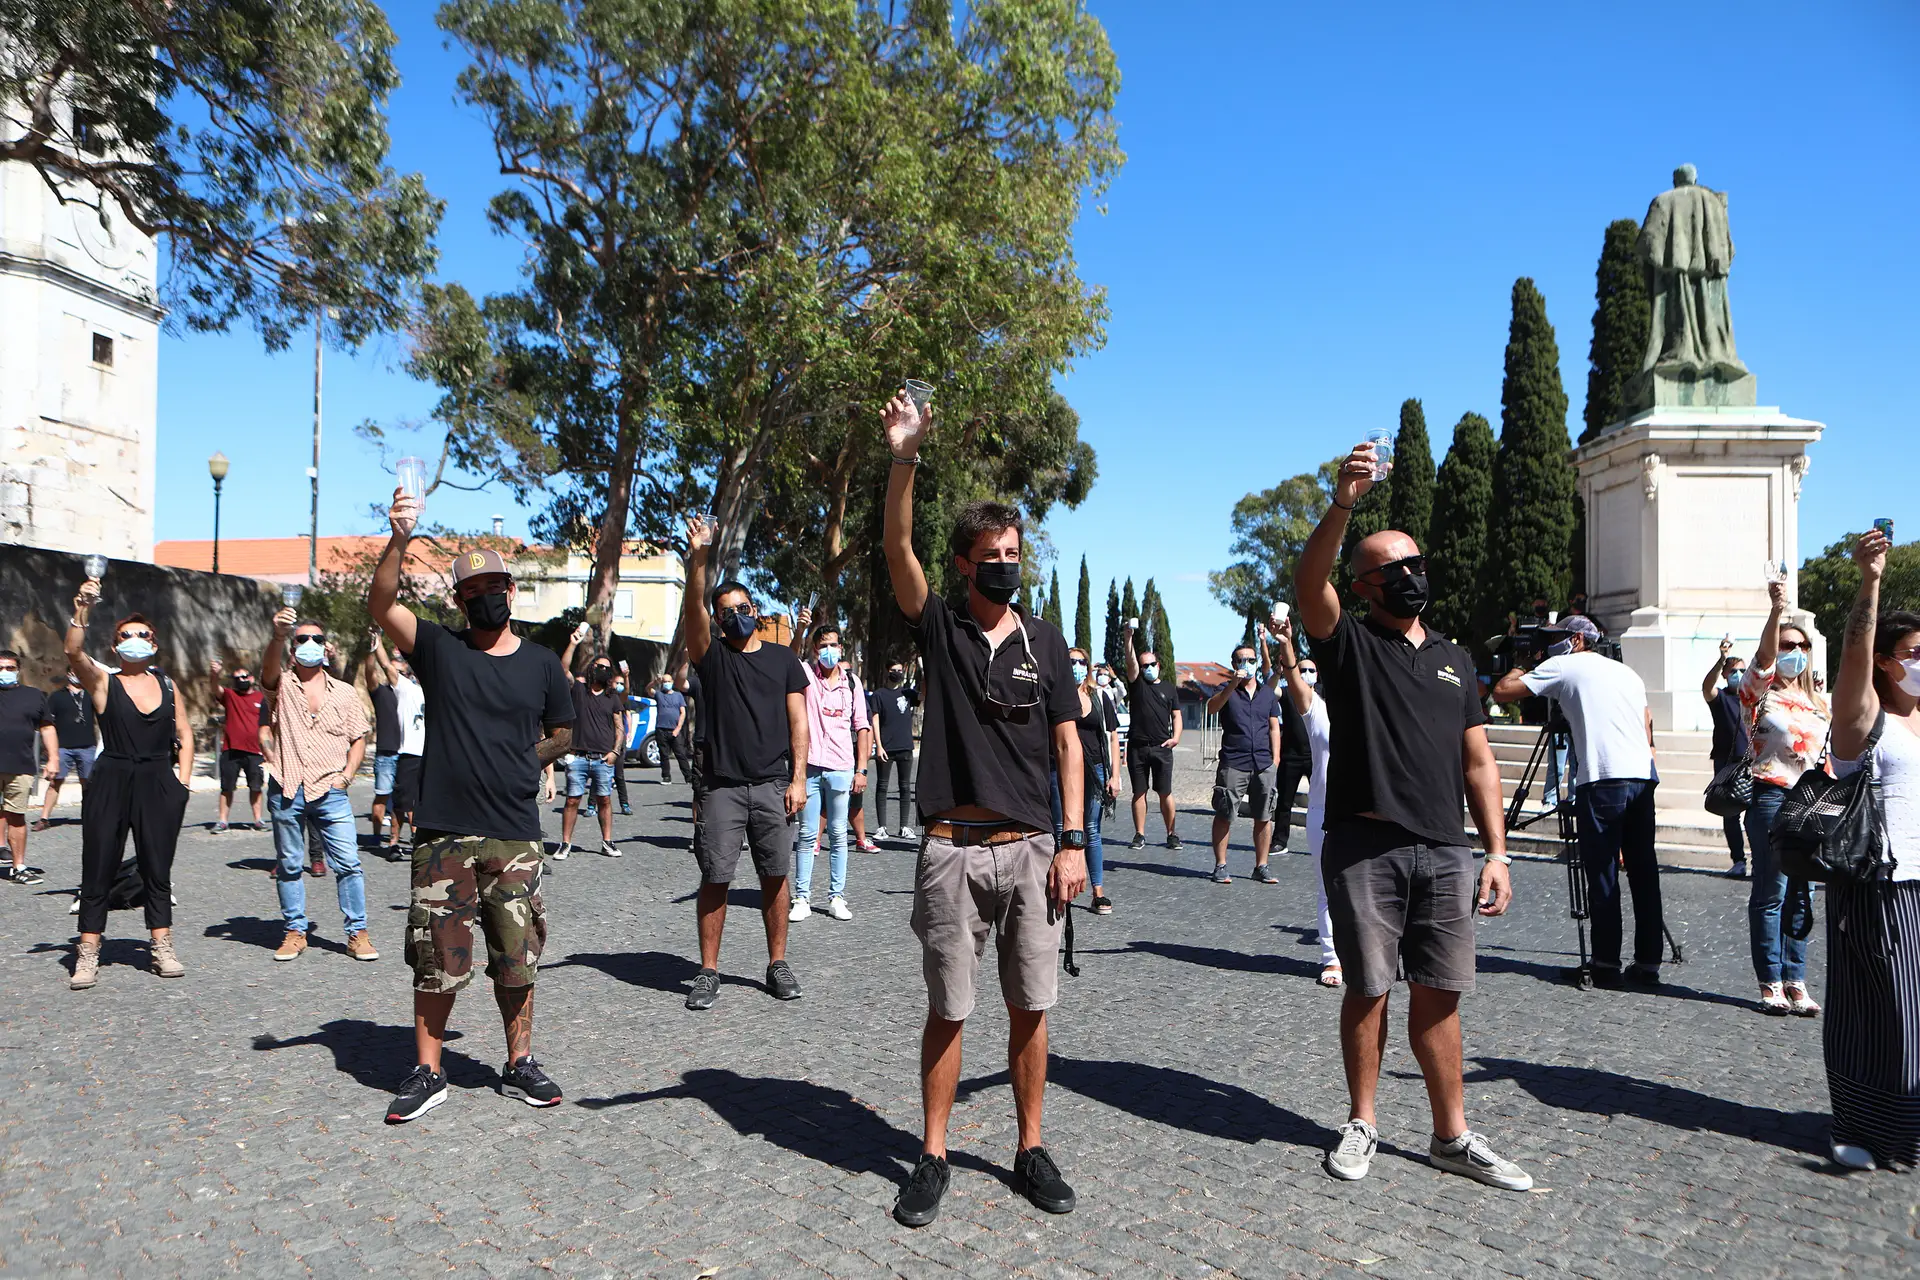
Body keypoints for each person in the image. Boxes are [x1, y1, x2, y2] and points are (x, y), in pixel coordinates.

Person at [1296, 438, 1529, 1191]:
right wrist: (1343, 504)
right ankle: (1362, 1120)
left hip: (1445, 849)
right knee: (1369, 988)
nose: (1412, 575)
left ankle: (1450, 1135)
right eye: (1395, 569)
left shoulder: (1457, 660)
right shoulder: (1349, 645)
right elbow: (1309, 585)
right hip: (1366, 845)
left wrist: (1495, 851)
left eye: (1417, 563)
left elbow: (1478, 761)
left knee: (1442, 992)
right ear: (1365, 586)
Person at [881, 389, 1087, 1227]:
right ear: (964, 564)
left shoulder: (1047, 641)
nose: (1005, 561)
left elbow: (1071, 746)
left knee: (1031, 1008)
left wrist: (1074, 843)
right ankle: (932, 1154)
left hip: (1035, 850)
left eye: (1014, 550)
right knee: (949, 1008)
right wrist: (905, 454)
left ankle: (1029, 1147)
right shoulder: (939, 625)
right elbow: (897, 544)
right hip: (952, 851)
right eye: (990, 552)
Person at [371, 498, 576, 1123]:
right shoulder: (439, 650)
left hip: (514, 836)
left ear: (511, 592)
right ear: (460, 600)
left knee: (517, 955)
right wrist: (400, 538)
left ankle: (519, 1065)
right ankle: (428, 1070)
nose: (485, 597)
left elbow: (564, 732)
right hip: (443, 836)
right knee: (438, 957)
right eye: (473, 590)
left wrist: (527, 758)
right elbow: (381, 605)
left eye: (494, 586)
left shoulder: (543, 663)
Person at [680, 514, 808, 1012]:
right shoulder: (712, 657)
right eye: (725, 611)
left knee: (776, 877)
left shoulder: (783, 660)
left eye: (743, 608)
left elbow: (799, 723)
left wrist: (798, 779)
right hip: (722, 788)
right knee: (716, 877)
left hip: (775, 784)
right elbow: (693, 611)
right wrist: (699, 560)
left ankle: (777, 963)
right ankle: (708, 970)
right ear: (717, 618)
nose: (736, 616)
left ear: (755, 609)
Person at [1493, 614, 1664, 984]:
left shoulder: (1563, 665)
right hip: (1641, 776)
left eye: (1558, 637)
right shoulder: (1626, 672)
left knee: (1602, 873)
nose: (1552, 644)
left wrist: (1525, 661)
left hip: (1602, 779)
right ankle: (1649, 962)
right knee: (1643, 872)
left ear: (1578, 641)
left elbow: (1502, 691)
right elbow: (1647, 718)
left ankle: (1605, 964)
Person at [1823, 527, 1919, 1171]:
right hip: (1878, 879)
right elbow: (1855, 653)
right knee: (1880, 1010)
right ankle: (1874, 1128)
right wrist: (1871, 581)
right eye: (1915, 651)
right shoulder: (1864, 717)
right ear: (1889, 661)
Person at [65, 584, 196, 988]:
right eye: (126, 635)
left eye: (143, 635)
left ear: (154, 644)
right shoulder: (105, 683)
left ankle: (161, 945)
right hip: (112, 778)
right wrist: (82, 611)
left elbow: (185, 733)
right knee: (99, 863)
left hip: (158, 779)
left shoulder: (170, 687)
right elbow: (72, 652)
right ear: (114, 645)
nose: (135, 641)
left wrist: (182, 784)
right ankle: (88, 952)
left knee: (157, 867)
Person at [260, 610, 377, 963]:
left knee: (349, 864)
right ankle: (295, 931)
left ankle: (357, 933)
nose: (309, 644)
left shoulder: (343, 692)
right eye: (302, 639)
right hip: (287, 786)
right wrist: (278, 637)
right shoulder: (280, 686)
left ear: (327, 648)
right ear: (293, 648)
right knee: (290, 864)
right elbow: (266, 671)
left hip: (331, 790)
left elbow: (359, 738)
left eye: (317, 639)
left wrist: (347, 775)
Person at [1741, 575, 1830, 1017]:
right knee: (1772, 891)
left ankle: (1797, 980)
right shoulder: (1759, 695)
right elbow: (1761, 659)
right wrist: (1777, 611)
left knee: (1804, 894)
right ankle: (1770, 980)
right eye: (1786, 644)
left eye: (1801, 645)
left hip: (1812, 804)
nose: (1793, 651)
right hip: (1771, 799)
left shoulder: (1819, 703)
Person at [1270, 617, 1340, 987]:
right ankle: (1332, 958)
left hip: (1366, 814)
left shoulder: (1373, 713)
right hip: (1324, 813)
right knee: (1328, 889)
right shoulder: (1319, 712)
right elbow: (1296, 684)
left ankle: (1370, 955)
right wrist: (1286, 645)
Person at [787, 613, 870, 922]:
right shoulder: (806, 675)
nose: (829, 651)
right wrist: (800, 629)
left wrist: (861, 769)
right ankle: (802, 898)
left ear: (842, 647)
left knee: (837, 832)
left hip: (841, 768)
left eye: (834, 645)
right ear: (814, 650)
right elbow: (788, 658)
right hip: (808, 767)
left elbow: (862, 726)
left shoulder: (853, 683)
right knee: (807, 834)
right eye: (823, 646)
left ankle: (837, 896)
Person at [1203, 641, 1282, 885]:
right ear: (1233, 664)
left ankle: (1261, 866)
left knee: (1264, 815)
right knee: (1225, 813)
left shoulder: (1267, 693)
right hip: (1234, 762)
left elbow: (1273, 727)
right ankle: (1221, 865)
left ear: (1257, 664)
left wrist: (1276, 759)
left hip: (1263, 762)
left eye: (1250, 660)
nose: (1245, 664)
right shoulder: (1226, 689)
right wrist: (1233, 685)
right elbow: (1212, 708)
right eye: (1240, 660)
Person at [1052, 647, 1118, 914]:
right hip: (1060, 769)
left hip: (1096, 768)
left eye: (1082, 662)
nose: (1077, 666)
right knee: (1060, 827)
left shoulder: (1099, 695)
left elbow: (1112, 736)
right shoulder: (1055, 694)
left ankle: (1098, 892)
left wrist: (1115, 775)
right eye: (1071, 661)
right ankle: (1060, 888)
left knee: (1091, 828)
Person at [555, 633, 623, 860]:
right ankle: (565, 844)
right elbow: (563, 670)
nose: (602, 670)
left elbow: (619, 726)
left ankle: (607, 841)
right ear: (591, 668)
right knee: (572, 800)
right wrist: (573, 643)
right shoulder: (579, 690)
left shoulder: (613, 696)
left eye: (606, 667)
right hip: (578, 756)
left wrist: (615, 751)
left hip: (604, 758)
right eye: (598, 666)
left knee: (604, 799)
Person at [1123, 622, 1182, 851]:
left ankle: (1172, 833)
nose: (1147, 667)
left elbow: (1177, 716)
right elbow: (1130, 662)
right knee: (1139, 791)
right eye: (1143, 664)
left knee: (1165, 791)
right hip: (1138, 746)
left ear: (1159, 665)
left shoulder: (1169, 688)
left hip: (1162, 747)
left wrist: (1176, 737)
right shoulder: (1137, 684)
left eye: (1151, 664)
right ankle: (1139, 834)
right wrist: (1128, 638)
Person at [0, 652, 55, 885]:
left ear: (18, 670)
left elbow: (47, 727)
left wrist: (53, 758)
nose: (5, 672)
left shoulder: (34, 696)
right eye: (0, 667)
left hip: (20, 765)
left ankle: (18, 867)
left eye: (10, 668)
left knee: (16, 816)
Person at [1702, 638, 1751, 878]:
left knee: (1755, 814)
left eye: (1743, 670)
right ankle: (1738, 860)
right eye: (1733, 671)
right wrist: (1721, 659)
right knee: (1731, 813)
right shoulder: (1720, 698)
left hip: (1752, 763)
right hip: (1727, 762)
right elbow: (1707, 687)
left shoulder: (1753, 697)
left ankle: (1760, 858)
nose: (1739, 674)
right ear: (1725, 675)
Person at [1264, 626, 1313, 856]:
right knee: (1284, 801)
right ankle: (1279, 841)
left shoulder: (1323, 693)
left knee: (1325, 801)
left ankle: (1328, 838)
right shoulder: (1287, 692)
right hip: (1291, 756)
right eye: (1303, 670)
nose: (1307, 674)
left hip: (1317, 756)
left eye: (1311, 670)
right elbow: (1268, 691)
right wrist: (1279, 672)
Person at [207, 657, 265, 834]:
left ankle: (258, 820)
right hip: (231, 750)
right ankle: (223, 821)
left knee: (256, 787)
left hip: (255, 751)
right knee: (227, 788)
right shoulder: (230, 696)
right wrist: (214, 674)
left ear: (252, 678)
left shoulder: (261, 698)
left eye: (244, 677)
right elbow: (214, 687)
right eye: (237, 678)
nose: (241, 680)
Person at [35, 671, 96, 833]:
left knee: (88, 784)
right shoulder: (57, 697)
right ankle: (44, 818)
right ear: (69, 674)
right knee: (55, 783)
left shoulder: (91, 694)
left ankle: (90, 817)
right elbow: (48, 722)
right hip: (62, 747)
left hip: (87, 746)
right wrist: (50, 751)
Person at [870, 661, 919, 840]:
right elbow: (874, 720)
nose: (897, 673)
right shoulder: (878, 695)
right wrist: (879, 745)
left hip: (905, 746)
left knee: (905, 787)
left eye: (899, 670)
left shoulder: (908, 693)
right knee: (882, 786)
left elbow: (924, 696)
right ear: (886, 671)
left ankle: (904, 827)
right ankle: (882, 827)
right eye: (893, 670)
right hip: (886, 748)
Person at [365, 631, 404, 851]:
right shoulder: (381, 693)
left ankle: (398, 839)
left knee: (407, 802)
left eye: (400, 668)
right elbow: (369, 673)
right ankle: (375, 836)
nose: (395, 672)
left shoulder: (413, 693)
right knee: (382, 796)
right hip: (387, 751)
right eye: (392, 668)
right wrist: (372, 651)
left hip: (409, 752)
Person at [654, 672, 690, 787]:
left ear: (672, 682)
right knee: (664, 755)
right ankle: (666, 776)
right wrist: (655, 681)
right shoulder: (658, 694)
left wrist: (678, 729)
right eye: (664, 681)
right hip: (661, 729)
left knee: (680, 754)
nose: (667, 683)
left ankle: (688, 777)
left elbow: (683, 712)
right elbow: (648, 689)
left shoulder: (678, 695)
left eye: (669, 681)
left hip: (674, 730)